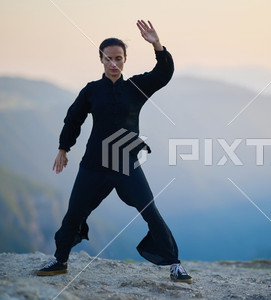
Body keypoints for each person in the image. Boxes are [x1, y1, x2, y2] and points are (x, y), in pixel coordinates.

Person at [36, 20, 192, 284]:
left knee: (150, 211)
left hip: (125, 163)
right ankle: (60, 260)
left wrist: (156, 44)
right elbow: (73, 119)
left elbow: (164, 72)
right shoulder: (91, 90)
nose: (113, 64)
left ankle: (174, 265)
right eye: (108, 59)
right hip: (94, 163)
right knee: (75, 212)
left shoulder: (136, 88)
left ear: (125, 59)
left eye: (118, 59)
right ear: (101, 59)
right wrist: (64, 148)